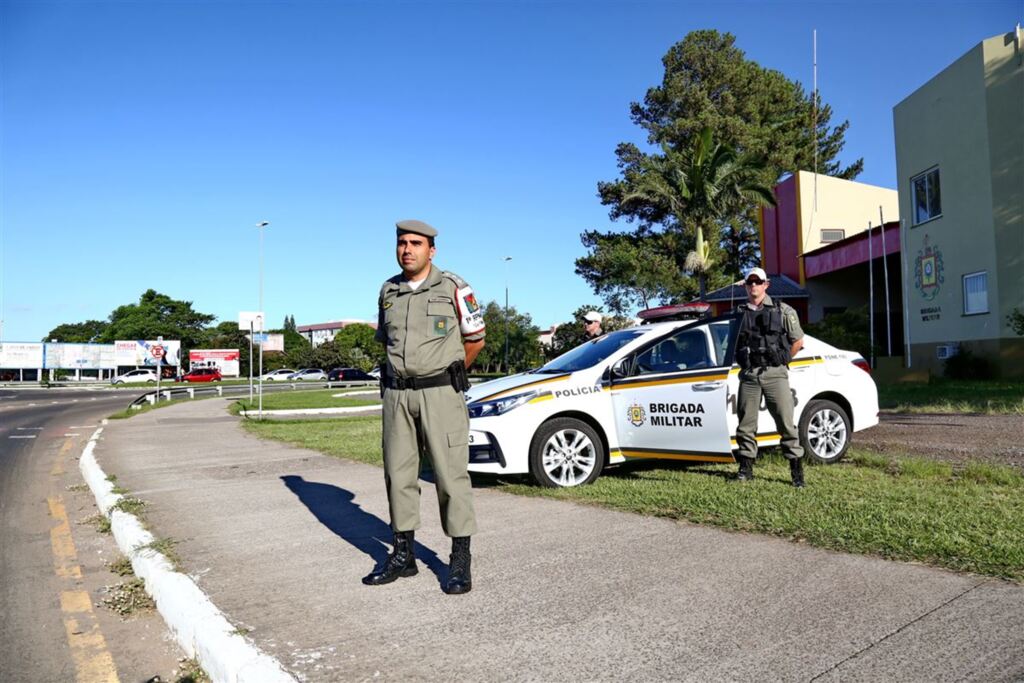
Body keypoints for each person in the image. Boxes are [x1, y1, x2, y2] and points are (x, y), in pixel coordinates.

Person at [364, 219, 485, 595]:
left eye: (416, 243)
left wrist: (449, 375)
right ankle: (404, 556)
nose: (407, 249)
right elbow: (385, 340)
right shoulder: (388, 291)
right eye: (402, 243)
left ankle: (459, 560)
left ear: (432, 250)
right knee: (398, 476)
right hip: (397, 395)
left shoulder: (454, 287)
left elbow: (476, 339)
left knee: (450, 476)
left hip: (440, 395)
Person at [733, 267, 807, 487]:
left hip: (775, 374)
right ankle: (745, 469)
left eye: (758, 282)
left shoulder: (783, 310)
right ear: (746, 286)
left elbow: (798, 341)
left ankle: (796, 473)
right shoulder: (739, 312)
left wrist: (784, 359)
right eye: (750, 282)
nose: (754, 285)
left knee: (786, 423)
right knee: (746, 424)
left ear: (766, 284)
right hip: (749, 374)